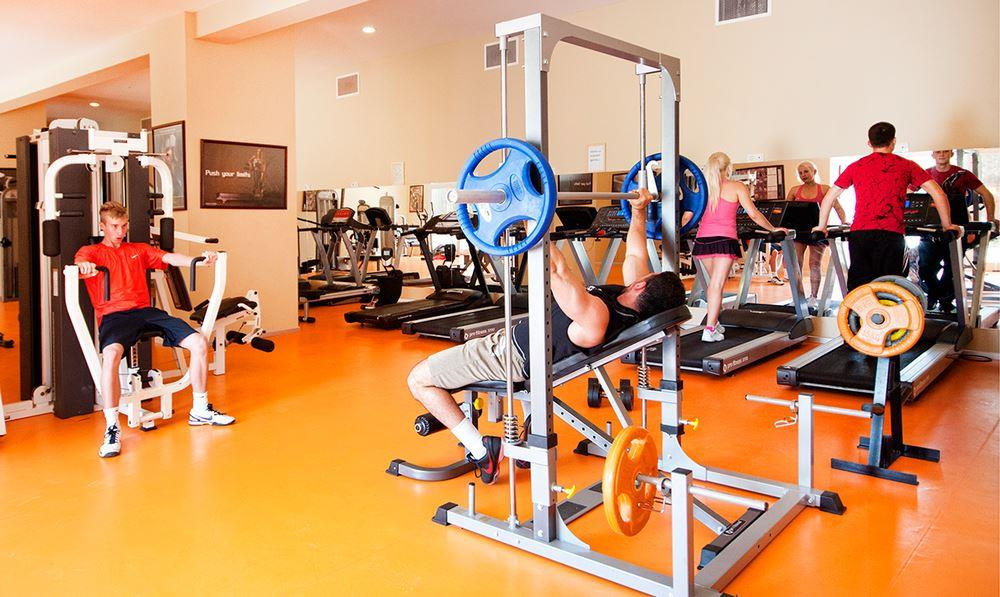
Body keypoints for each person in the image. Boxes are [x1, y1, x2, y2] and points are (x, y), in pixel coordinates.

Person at [406, 188, 686, 484]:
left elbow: (556, 269)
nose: (643, 273)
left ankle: (482, 450)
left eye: (648, 275)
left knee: (419, 379)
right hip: (520, 346)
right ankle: (530, 428)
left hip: (508, 356)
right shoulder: (633, 305)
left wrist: (528, 210)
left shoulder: (597, 317)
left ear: (641, 286)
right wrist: (639, 210)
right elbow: (635, 253)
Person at [75, 201, 235, 458]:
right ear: (102, 226)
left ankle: (200, 409)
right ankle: (112, 427)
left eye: (124, 226)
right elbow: (81, 263)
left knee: (199, 343)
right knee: (111, 356)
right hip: (114, 316)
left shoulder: (137, 249)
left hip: (146, 312)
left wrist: (199, 261)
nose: (120, 231)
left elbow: (168, 258)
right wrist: (83, 267)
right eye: (114, 226)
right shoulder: (91, 252)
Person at [814, 122, 960, 290]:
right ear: (893, 141)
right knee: (890, 288)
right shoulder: (907, 165)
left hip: (861, 235)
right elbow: (938, 193)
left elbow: (830, 196)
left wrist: (821, 227)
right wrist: (947, 225)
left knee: (860, 288)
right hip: (891, 235)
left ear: (869, 143)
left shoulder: (856, 166)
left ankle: (861, 307)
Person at [692, 152, 786, 343]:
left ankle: (715, 321)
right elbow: (754, 214)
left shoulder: (701, 189)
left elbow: (689, 216)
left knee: (712, 285)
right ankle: (709, 330)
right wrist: (773, 228)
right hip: (724, 240)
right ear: (728, 168)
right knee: (717, 285)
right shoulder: (737, 186)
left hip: (703, 241)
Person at [916, 149, 997, 312]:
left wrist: (991, 218)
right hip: (932, 228)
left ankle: (945, 302)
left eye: (945, 151)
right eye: (938, 152)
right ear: (933, 155)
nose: (941, 154)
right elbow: (907, 192)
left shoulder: (963, 174)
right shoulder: (925, 174)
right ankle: (936, 296)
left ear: (951, 154)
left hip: (957, 228)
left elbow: (987, 194)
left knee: (952, 268)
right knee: (925, 268)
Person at [786, 161, 847, 306]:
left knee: (814, 264)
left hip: (818, 232)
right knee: (796, 264)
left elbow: (838, 207)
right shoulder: (794, 190)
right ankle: (798, 296)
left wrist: (844, 222)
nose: (803, 175)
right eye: (800, 173)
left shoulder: (825, 189)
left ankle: (813, 297)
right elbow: (786, 211)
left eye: (806, 171)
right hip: (799, 231)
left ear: (814, 171)